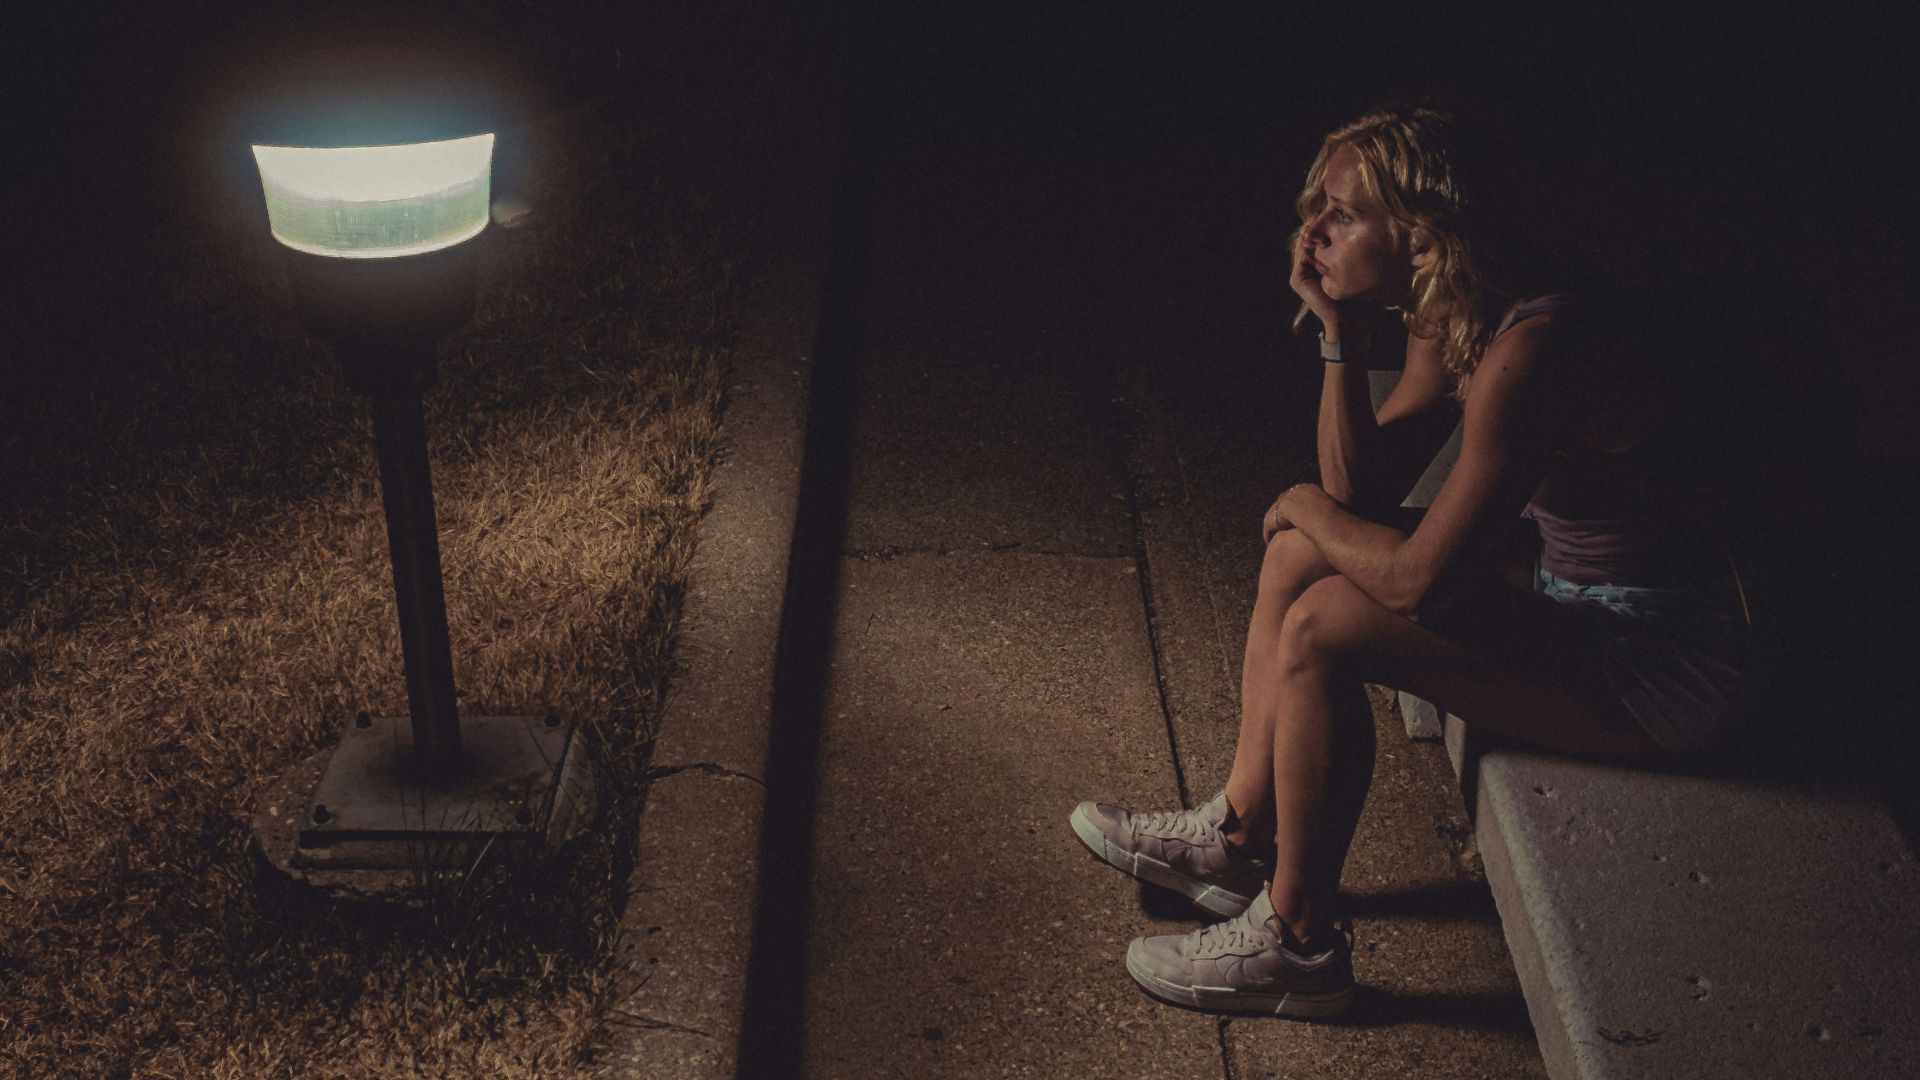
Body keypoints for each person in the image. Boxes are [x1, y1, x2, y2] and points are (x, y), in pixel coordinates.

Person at [1070, 103, 1755, 1018]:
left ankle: (1300, 943)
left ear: (1423, 237)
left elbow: (1416, 580)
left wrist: (1303, 507)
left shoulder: (1532, 349)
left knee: (1324, 623)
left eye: (1343, 213)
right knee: (1298, 565)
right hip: (1576, 591)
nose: (1311, 230)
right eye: (1317, 204)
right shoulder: (1457, 305)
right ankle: (1236, 836)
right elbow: (1359, 488)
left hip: (1664, 662)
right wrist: (1338, 334)